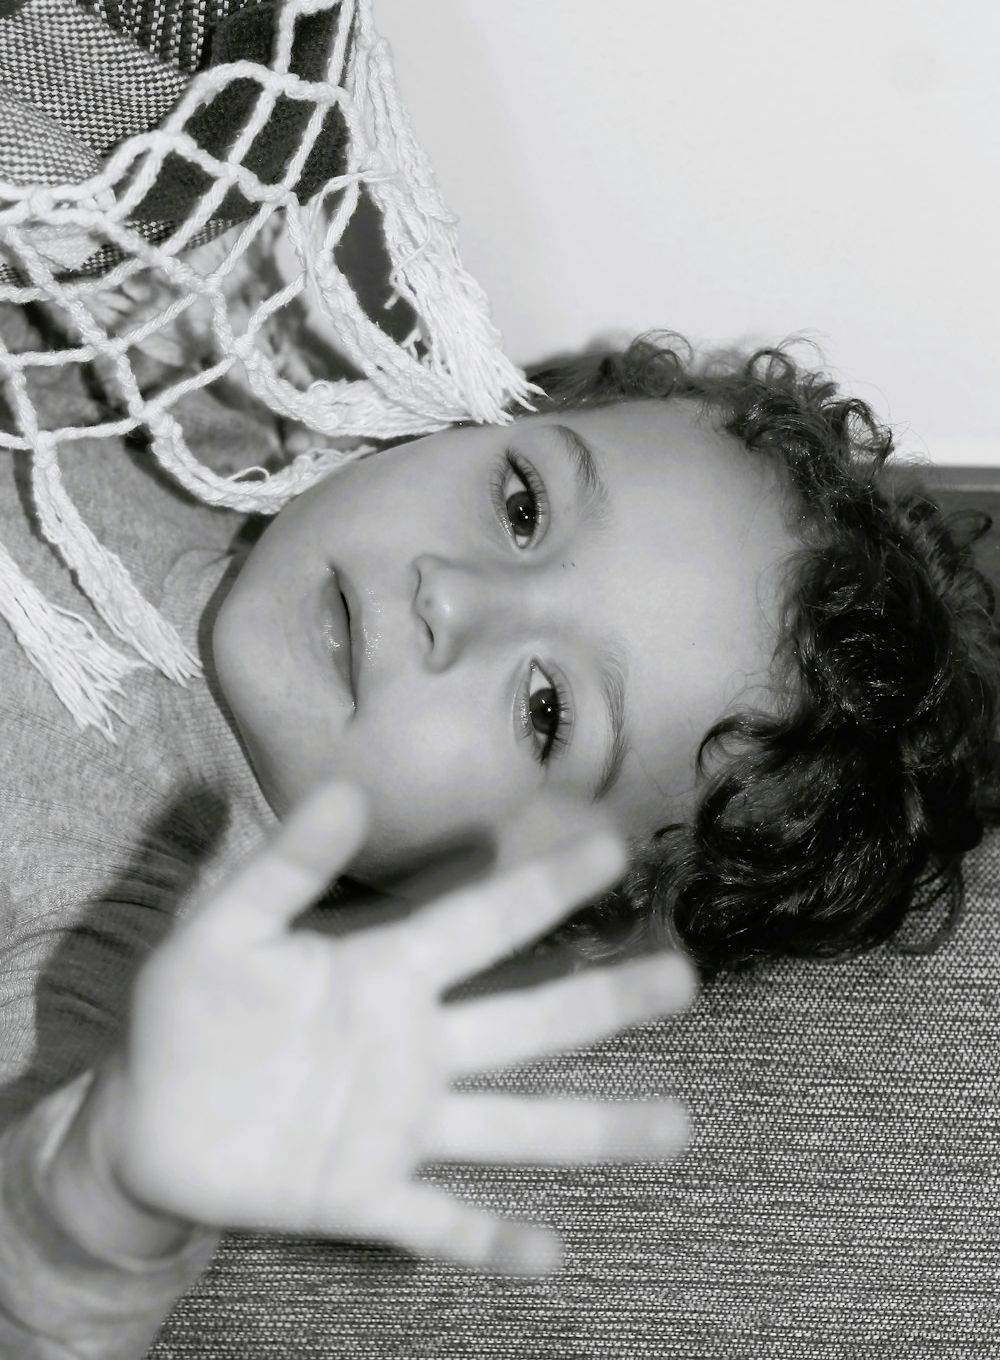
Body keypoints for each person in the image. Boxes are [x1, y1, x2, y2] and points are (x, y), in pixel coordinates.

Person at [1, 320, 998, 1359]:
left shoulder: (125, 939)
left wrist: (105, 1189)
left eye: (545, 710)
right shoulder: (193, 381)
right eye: (521, 504)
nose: (453, 595)